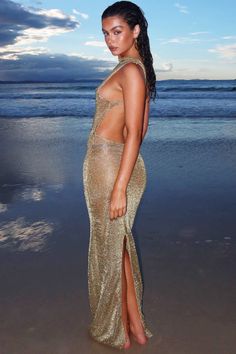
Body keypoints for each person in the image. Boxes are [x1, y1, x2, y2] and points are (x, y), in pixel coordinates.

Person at [82, 0, 157, 350]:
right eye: (105, 34)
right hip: (111, 167)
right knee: (118, 248)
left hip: (113, 168)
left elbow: (135, 134)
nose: (110, 40)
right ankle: (133, 328)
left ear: (135, 30)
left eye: (117, 32)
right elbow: (138, 128)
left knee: (113, 248)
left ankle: (125, 331)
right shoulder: (133, 68)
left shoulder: (130, 71)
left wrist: (119, 188)